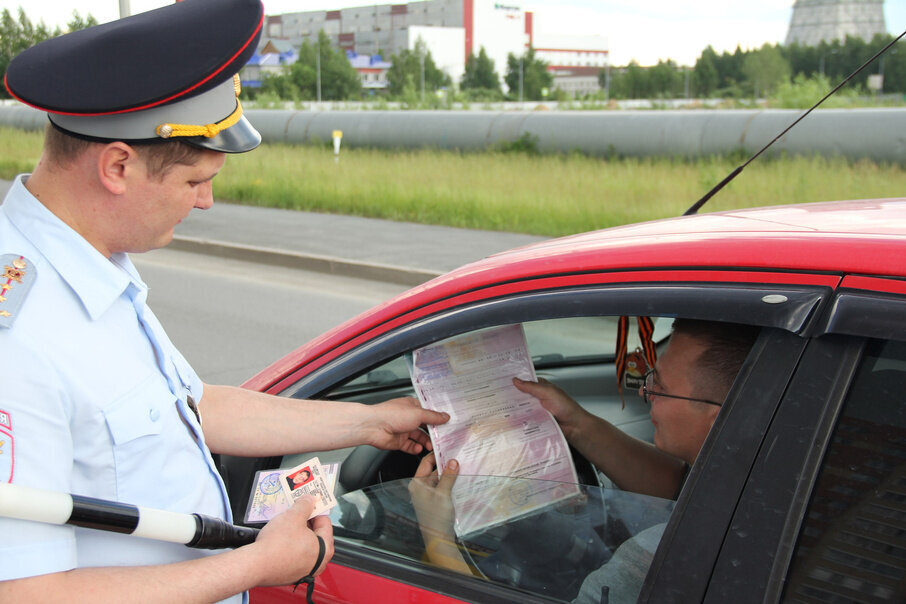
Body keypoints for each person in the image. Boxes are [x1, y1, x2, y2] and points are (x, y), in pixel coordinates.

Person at [0, 1, 448, 601]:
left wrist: (369, 421)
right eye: (194, 181)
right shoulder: (20, 335)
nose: (206, 202)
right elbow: (26, 591)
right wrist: (252, 568)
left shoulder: (90, 264)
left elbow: (189, 409)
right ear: (116, 166)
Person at [410, 318, 758, 600]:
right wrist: (574, 424)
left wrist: (436, 537)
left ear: (720, 417)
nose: (644, 390)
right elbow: (680, 488)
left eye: (660, 387)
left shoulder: (655, 562)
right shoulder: (756, 482)